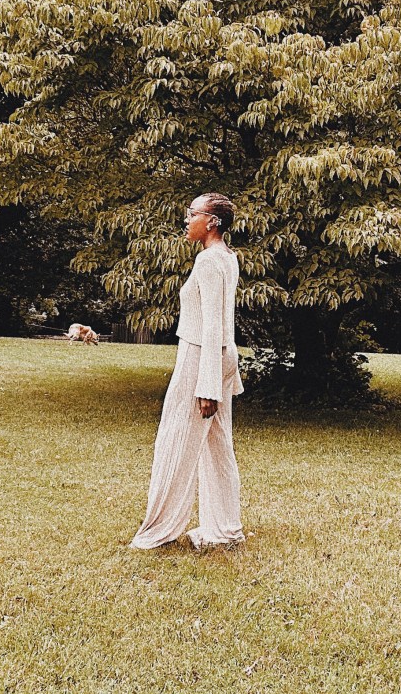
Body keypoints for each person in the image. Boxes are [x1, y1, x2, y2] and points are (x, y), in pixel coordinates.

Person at [130, 192, 245, 550]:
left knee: (176, 440)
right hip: (220, 356)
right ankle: (226, 530)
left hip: (202, 358)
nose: (186, 219)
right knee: (217, 444)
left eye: (192, 213)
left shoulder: (210, 261)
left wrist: (207, 385)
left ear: (212, 222)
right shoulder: (228, 257)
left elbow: (213, 324)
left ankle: (158, 530)